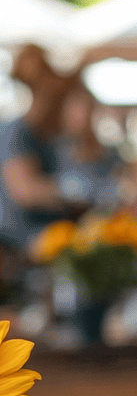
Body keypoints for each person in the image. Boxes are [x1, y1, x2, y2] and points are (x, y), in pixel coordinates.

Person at [0, 44, 74, 251]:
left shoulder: (49, 134)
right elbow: (25, 191)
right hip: (23, 244)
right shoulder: (16, 131)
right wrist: (78, 192)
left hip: (49, 236)